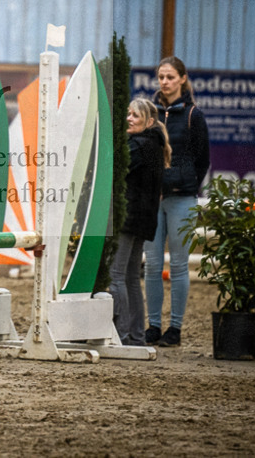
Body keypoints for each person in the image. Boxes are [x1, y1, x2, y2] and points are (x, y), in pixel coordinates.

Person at [144, 56, 210, 347]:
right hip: (152, 199)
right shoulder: (149, 113)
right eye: (161, 77)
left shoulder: (195, 115)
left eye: (170, 77)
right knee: (152, 265)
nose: (165, 82)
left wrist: (185, 185)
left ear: (182, 79)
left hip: (182, 199)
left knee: (180, 266)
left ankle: (176, 329)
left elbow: (203, 159)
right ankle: (153, 326)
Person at [111, 98, 170, 347]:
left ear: (149, 121)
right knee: (132, 278)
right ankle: (136, 336)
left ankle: (121, 334)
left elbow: (116, 169)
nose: (129, 119)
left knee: (116, 276)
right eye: (128, 114)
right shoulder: (155, 144)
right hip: (145, 219)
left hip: (129, 217)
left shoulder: (137, 145)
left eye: (135, 116)